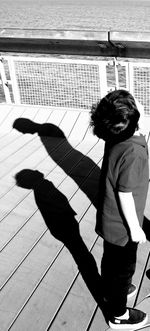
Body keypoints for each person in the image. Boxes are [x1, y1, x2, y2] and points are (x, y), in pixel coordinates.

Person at [90, 89, 149, 329]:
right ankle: (118, 315)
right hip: (123, 227)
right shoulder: (134, 151)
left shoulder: (115, 136)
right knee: (123, 269)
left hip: (109, 219)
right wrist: (135, 229)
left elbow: (132, 115)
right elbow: (125, 193)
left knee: (111, 263)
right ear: (134, 120)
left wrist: (128, 108)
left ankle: (111, 290)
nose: (142, 105)